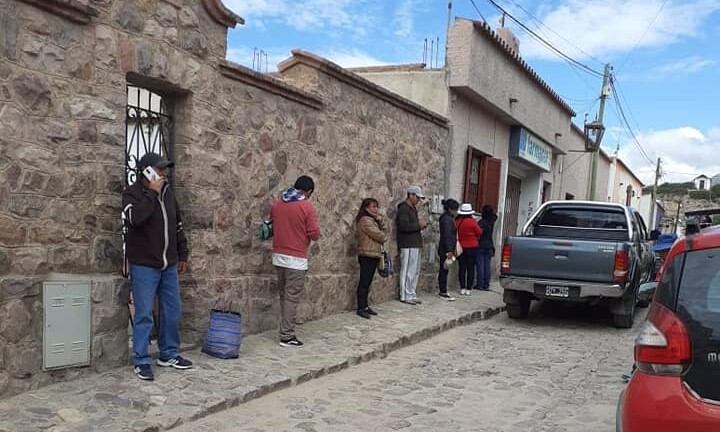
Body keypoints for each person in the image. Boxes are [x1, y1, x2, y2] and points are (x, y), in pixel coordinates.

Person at [121, 152, 191, 381]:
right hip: (144, 264)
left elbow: (177, 225)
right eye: (159, 169)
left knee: (172, 310)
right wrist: (152, 193)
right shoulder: (132, 195)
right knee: (143, 315)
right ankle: (141, 360)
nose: (164, 173)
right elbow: (135, 220)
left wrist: (182, 254)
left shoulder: (169, 194)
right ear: (147, 171)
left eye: (164, 169)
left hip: (168, 264)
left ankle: (168, 353)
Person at [271, 175, 321, 347]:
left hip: (278, 256)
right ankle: (287, 335)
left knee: (284, 295)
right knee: (292, 297)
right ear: (308, 191)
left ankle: (285, 328)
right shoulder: (306, 206)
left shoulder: (278, 204)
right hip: (296, 258)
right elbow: (314, 233)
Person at [355, 198, 388, 319]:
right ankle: (361, 307)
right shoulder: (365, 221)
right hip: (366, 254)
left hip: (373, 254)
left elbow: (384, 232)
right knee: (364, 282)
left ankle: (365, 306)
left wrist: (380, 221)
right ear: (366, 208)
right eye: (373, 206)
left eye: (376, 206)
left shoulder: (373, 220)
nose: (376, 209)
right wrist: (381, 227)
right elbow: (381, 236)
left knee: (368, 282)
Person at [396, 185, 427, 305]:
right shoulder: (403, 209)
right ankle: (405, 295)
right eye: (417, 197)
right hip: (407, 243)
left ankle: (411, 292)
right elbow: (403, 226)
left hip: (415, 243)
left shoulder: (412, 208)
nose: (418, 200)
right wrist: (418, 225)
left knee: (414, 270)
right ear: (410, 195)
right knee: (407, 270)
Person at [456, 203, 482, 296]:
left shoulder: (457, 221)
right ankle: (468, 288)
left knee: (462, 268)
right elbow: (479, 232)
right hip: (472, 247)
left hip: (461, 247)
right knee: (470, 268)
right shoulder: (473, 222)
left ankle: (462, 287)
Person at [437, 199, 460, 301]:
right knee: (444, 269)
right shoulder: (447, 220)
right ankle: (443, 290)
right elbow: (447, 236)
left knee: (445, 269)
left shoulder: (448, 218)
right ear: (451, 209)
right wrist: (449, 250)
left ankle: (443, 290)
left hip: (446, 247)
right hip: (446, 249)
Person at [475, 205, 497, 291]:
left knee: (480, 265)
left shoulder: (482, 222)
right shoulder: (492, 221)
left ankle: (480, 284)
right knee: (487, 266)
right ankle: (486, 284)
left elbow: (478, 233)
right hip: (490, 245)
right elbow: (495, 216)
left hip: (481, 245)